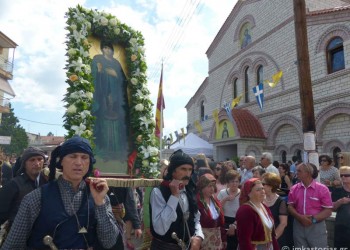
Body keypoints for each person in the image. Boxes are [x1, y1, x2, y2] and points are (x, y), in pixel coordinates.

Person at [1, 136, 119, 249]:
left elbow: (109, 242)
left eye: (84, 157)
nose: (78, 162)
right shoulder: (36, 197)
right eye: (73, 156)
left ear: (90, 162)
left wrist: (100, 204)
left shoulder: (100, 197)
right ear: (61, 161)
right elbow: (13, 245)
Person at [150, 149, 203, 250]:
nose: (187, 174)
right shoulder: (159, 192)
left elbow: (196, 218)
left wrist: (199, 236)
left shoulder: (189, 191)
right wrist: (174, 197)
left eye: (190, 169)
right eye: (183, 169)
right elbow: (160, 228)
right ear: (173, 170)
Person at [92, 40, 129, 161]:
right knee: (102, 119)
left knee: (117, 120)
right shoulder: (97, 59)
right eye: (105, 48)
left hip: (116, 96)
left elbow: (124, 80)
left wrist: (116, 75)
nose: (107, 50)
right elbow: (92, 75)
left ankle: (117, 150)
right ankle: (103, 149)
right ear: (102, 49)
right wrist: (99, 71)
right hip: (102, 95)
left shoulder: (116, 63)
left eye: (110, 48)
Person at [287, 163, 333, 248]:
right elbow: (290, 206)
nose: (296, 173)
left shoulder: (322, 189)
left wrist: (313, 220)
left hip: (316, 226)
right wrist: (299, 217)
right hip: (298, 225)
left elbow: (328, 210)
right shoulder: (294, 188)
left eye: (299, 171)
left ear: (308, 173)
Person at [0, 147, 47, 228]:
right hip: (18, 234)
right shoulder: (13, 185)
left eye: (40, 159)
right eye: (32, 160)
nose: (37, 163)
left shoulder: (47, 183)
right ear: (24, 164)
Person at [236, 178, 279, 249]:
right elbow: (244, 239)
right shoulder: (245, 210)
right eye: (258, 190)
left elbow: (272, 235)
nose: (262, 191)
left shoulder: (264, 207)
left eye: (262, 188)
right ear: (249, 193)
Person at [196, 173, 225, 250]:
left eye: (213, 186)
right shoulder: (197, 201)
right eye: (209, 186)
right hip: (203, 241)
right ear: (202, 187)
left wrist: (223, 238)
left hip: (216, 241)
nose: (212, 189)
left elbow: (221, 221)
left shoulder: (215, 200)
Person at [261, 173, 289, 248]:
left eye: (263, 184)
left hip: (276, 240)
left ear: (271, 186)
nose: (261, 186)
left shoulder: (280, 202)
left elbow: (283, 223)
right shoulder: (260, 200)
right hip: (260, 239)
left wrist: (272, 240)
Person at [217, 170, 240, 250]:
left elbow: (244, 213)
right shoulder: (222, 193)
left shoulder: (242, 194)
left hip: (238, 222)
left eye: (236, 181)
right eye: (232, 181)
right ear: (228, 182)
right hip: (225, 221)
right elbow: (217, 209)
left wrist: (234, 225)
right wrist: (225, 199)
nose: (234, 184)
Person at [331, 166, 350, 248]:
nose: (343, 177)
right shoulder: (337, 191)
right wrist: (340, 201)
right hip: (342, 225)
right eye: (341, 175)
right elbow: (332, 207)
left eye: (346, 175)